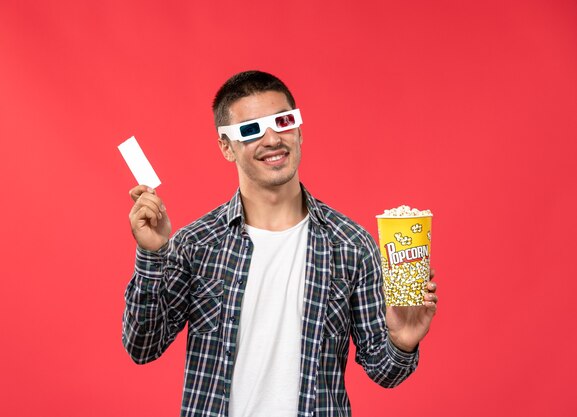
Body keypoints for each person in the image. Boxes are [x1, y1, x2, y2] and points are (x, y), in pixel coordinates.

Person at [122, 70, 438, 417]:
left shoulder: (351, 245)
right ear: (226, 147)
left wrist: (402, 341)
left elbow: (384, 371)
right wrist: (152, 255)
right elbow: (143, 346)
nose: (272, 138)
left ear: (299, 131)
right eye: (250, 129)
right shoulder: (197, 244)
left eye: (283, 121)